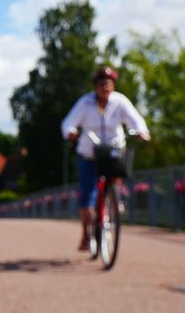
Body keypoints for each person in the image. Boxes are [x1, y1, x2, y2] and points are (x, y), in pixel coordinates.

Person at [61, 66, 150, 251]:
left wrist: (141, 131)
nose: (106, 89)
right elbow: (69, 122)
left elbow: (135, 119)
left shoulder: (120, 102)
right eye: (102, 85)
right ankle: (86, 233)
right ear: (96, 87)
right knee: (87, 197)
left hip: (113, 150)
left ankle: (113, 199)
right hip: (89, 153)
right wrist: (70, 132)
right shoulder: (85, 104)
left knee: (117, 169)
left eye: (109, 85)